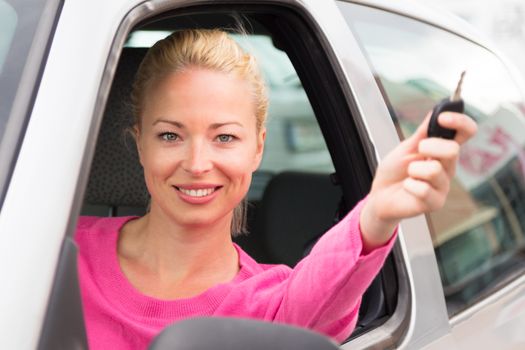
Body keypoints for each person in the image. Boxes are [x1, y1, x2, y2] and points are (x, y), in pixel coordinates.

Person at [75, 29, 477, 349]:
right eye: (169, 135)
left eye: (225, 138)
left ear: (258, 148)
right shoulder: (55, 251)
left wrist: (377, 213)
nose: (197, 164)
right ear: (139, 142)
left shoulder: (271, 305)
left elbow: (319, 294)